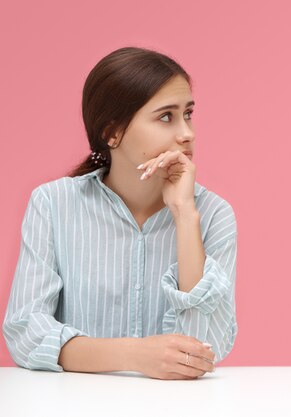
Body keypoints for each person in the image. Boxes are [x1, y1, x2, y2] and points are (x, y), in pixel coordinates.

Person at [2, 46, 238, 380]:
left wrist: (185, 215)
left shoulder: (213, 215)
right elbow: (25, 332)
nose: (187, 134)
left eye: (188, 113)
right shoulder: (53, 204)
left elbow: (204, 346)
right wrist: (135, 355)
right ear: (113, 132)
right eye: (166, 116)